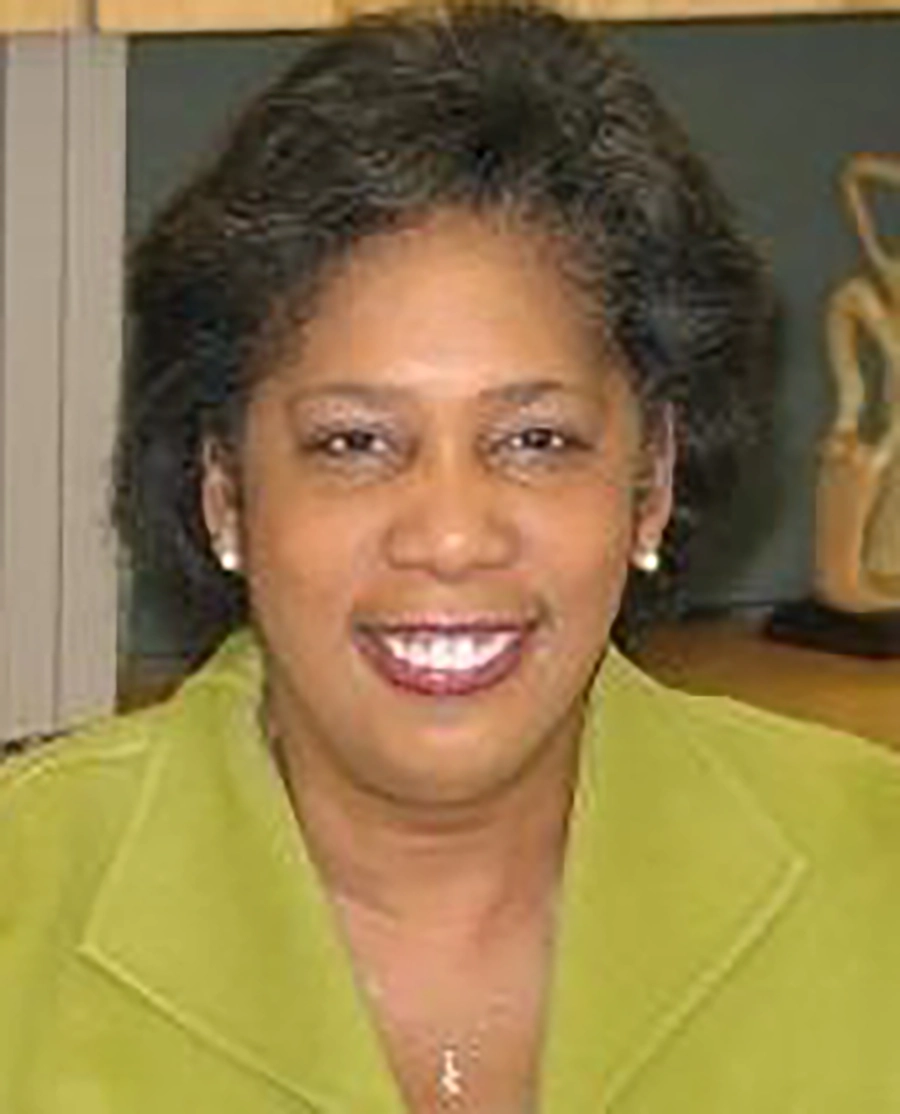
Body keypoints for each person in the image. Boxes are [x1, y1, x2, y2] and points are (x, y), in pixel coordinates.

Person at [3, 4, 900, 1111]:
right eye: (354, 442)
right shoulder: (22, 909)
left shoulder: (876, 874)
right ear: (225, 486)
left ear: (651, 480)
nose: (449, 533)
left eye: (535, 440)